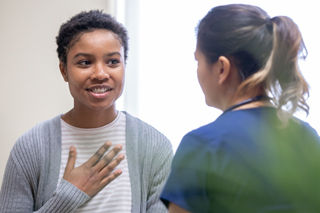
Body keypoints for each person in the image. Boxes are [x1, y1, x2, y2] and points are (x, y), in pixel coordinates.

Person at [0, 10, 173, 212]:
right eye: (85, 62)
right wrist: (68, 196)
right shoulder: (30, 148)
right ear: (64, 70)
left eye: (113, 62)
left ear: (125, 65)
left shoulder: (154, 147)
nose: (100, 74)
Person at [161, 4, 320, 213]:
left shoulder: (203, 145)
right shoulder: (307, 136)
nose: (197, 71)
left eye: (198, 61)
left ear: (222, 68)